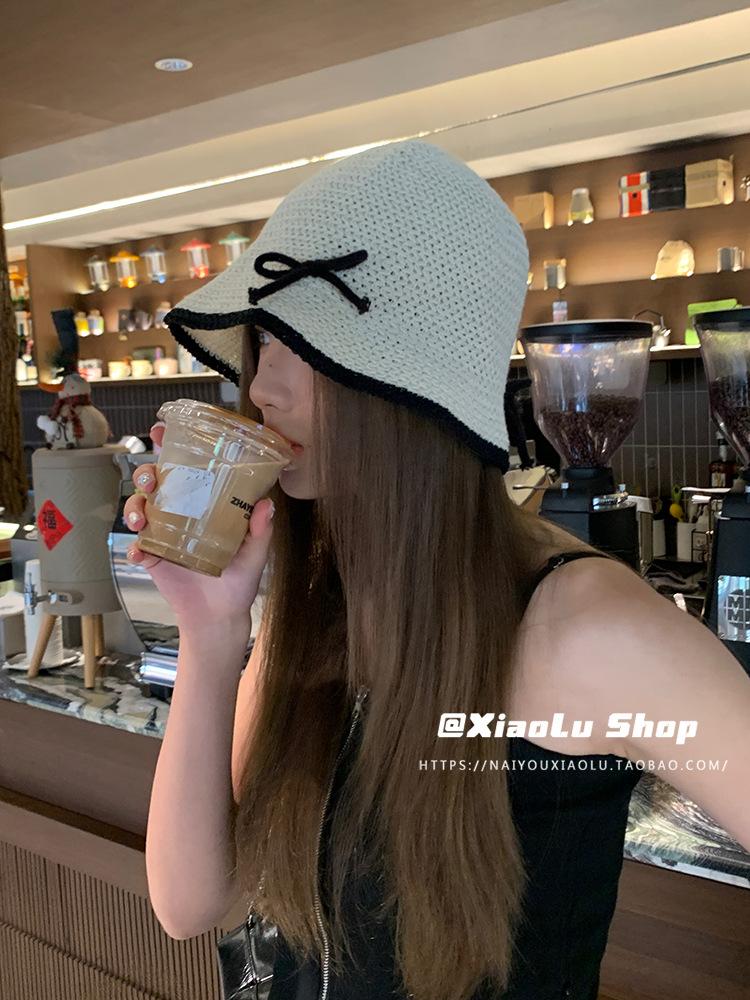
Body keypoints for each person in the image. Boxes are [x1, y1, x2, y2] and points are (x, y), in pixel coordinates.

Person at [124, 141, 750, 1000]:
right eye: (263, 339)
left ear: (414, 385)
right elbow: (192, 902)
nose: (262, 388)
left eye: (303, 344)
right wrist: (211, 629)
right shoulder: (322, 601)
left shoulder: (587, 629)